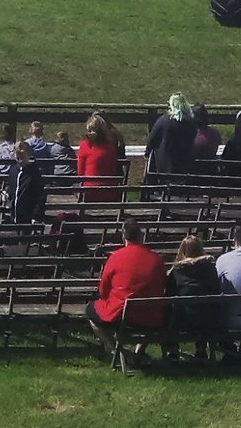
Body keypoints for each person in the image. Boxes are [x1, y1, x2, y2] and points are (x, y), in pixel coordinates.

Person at [85, 218, 166, 361]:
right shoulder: (156, 259)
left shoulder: (116, 257)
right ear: (141, 237)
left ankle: (115, 349)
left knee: (90, 310)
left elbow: (103, 290)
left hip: (122, 314)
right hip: (151, 315)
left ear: (124, 237)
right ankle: (138, 352)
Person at [166, 235, 220, 355]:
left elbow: (169, 294)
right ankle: (201, 349)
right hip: (209, 320)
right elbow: (216, 289)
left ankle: (173, 350)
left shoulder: (177, 271)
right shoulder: (210, 269)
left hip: (183, 320)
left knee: (170, 309)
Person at [144, 93, 197, 179]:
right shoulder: (192, 123)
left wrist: (147, 152)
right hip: (185, 164)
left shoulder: (163, 120)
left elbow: (152, 140)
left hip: (165, 166)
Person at [77, 113, 123, 202]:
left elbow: (80, 173)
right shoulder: (111, 147)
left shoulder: (85, 146)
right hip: (109, 192)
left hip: (89, 192)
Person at [6, 142, 46, 224]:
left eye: (22, 157)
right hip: (14, 213)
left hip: (28, 213)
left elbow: (40, 195)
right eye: (17, 157)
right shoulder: (13, 171)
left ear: (28, 156)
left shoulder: (34, 172)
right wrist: (7, 194)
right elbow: (11, 189)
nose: (20, 160)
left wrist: (36, 215)